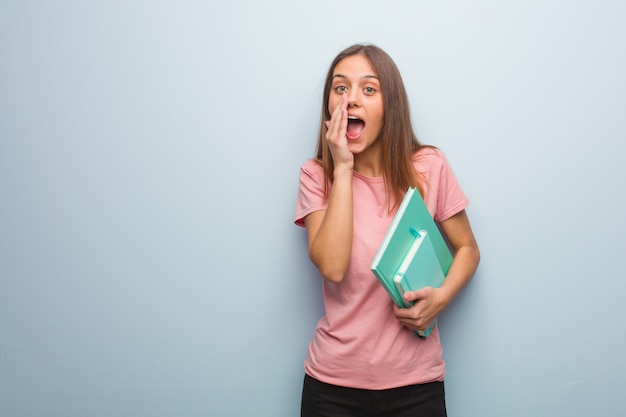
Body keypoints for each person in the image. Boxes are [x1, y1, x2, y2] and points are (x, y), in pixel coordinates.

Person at [294, 43, 480, 416]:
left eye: (369, 88)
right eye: (341, 88)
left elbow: (468, 249)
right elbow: (332, 267)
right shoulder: (317, 175)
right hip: (332, 387)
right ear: (330, 104)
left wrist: (440, 298)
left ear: (389, 104)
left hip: (416, 387)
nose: (352, 100)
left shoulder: (428, 167)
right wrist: (343, 167)